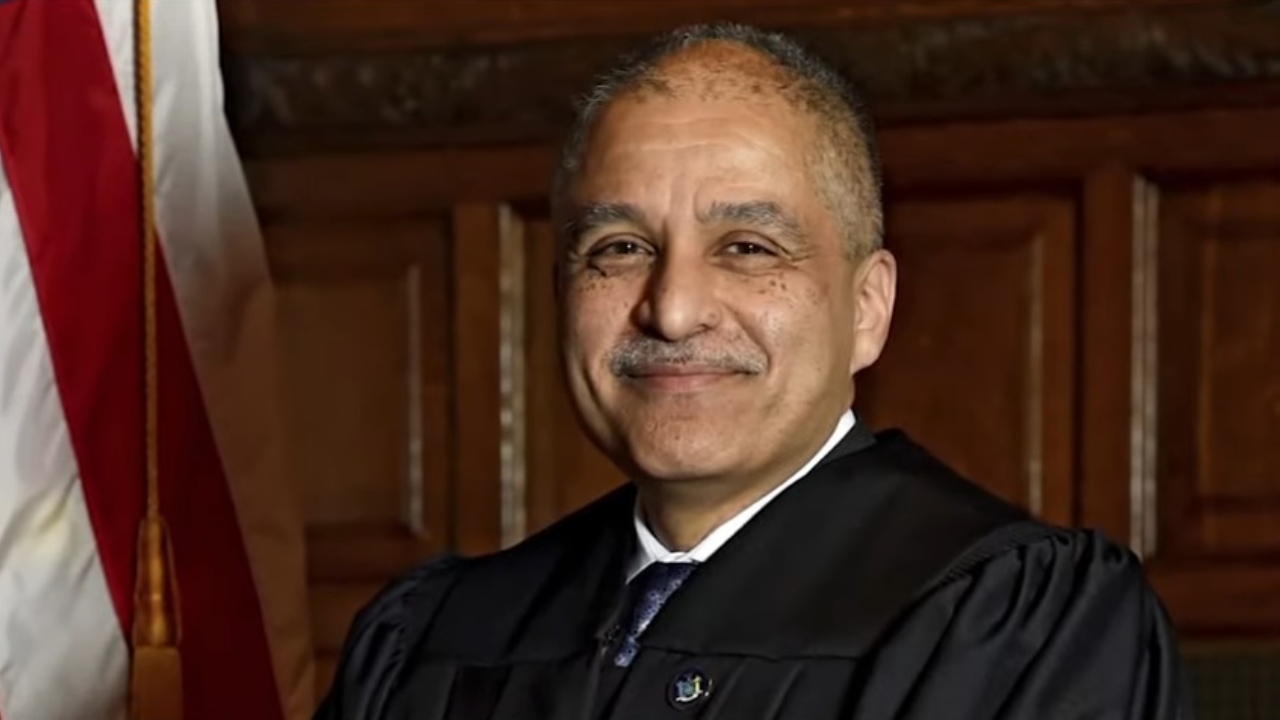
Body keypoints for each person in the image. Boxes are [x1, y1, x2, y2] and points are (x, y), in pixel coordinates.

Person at [316, 22, 1193, 720]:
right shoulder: (432, 638)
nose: (673, 309)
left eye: (747, 247)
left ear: (866, 307)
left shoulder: (1014, 627)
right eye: (620, 248)